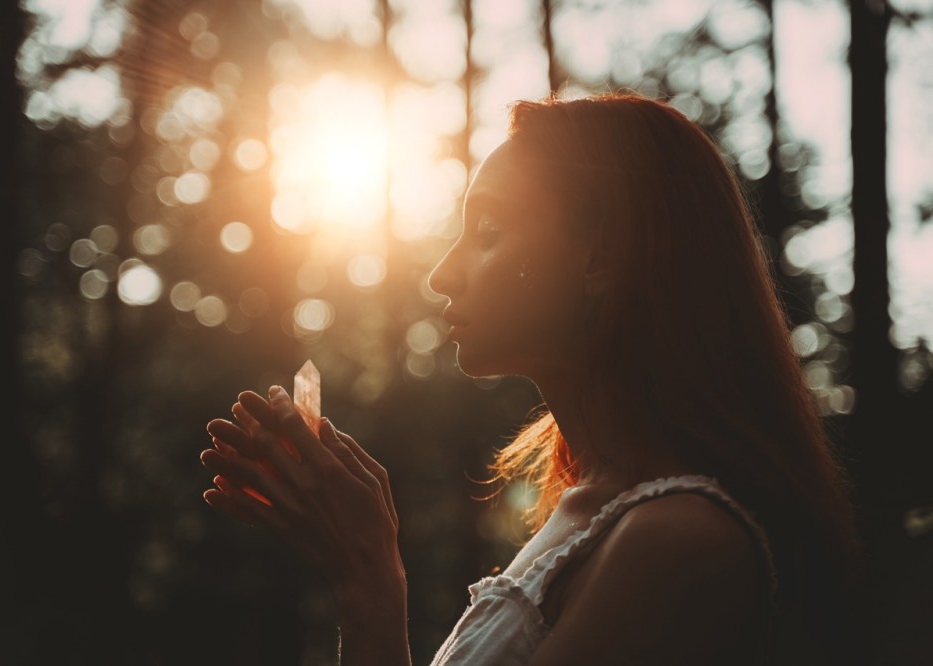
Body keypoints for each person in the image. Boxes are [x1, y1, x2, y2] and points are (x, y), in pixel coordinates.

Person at [199, 92, 865, 665]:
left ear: (598, 254)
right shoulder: (589, 512)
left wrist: (368, 581)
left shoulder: (681, 542)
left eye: (487, 230)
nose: (442, 276)